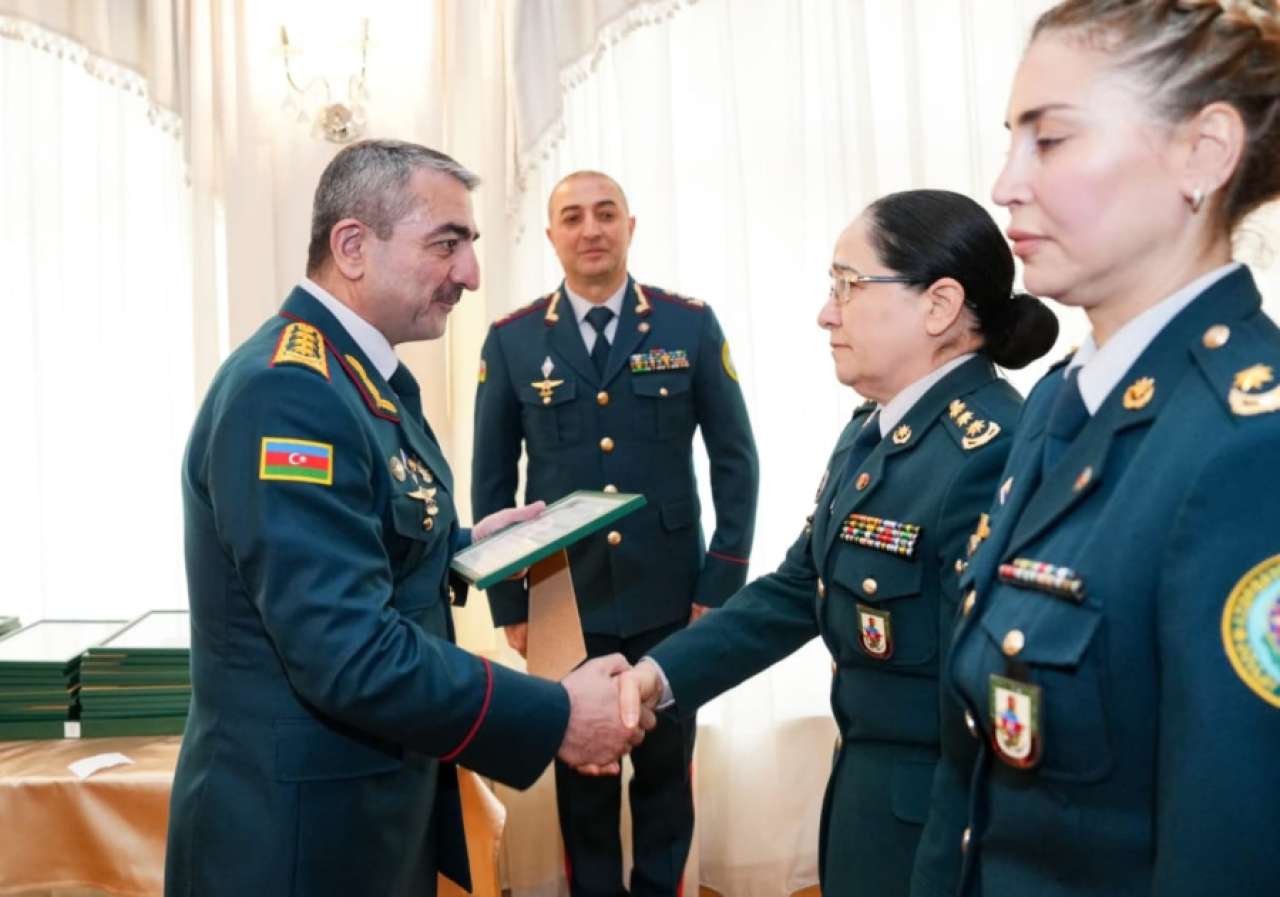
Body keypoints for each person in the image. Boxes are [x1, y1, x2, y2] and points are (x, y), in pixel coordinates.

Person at [166, 140, 651, 897]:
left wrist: (460, 547)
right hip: (296, 840)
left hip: (361, 812)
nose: (471, 273)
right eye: (447, 244)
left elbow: (361, 542)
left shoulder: (359, 376)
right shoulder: (290, 393)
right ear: (353, 247)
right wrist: (555, 713)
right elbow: (346, 647)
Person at [619, 189, 1059, 897]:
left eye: (847, 285)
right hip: (865, 807)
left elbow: (980, 718)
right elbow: (799, 588)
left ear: (939, 306)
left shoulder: (989, 453)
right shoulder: (873, 431)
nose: (827, 312)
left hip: (932, 837)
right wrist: (657, 676)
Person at [940, 1, 1280, 894]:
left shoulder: (1251, 448)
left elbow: (1229, 854)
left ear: (1203, 152)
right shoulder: (1062, 398)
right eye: (1012, 141)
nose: (1005, 183)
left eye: (1049, 140)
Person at [472, 170, 759, 897]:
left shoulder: (688, 324)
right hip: (564, 601)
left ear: (630, 227)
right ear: (551, 236)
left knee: (666, 778)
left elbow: (736, 460)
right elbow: (491, 483)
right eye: (573, 217)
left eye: (606, 214)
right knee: (584, 783)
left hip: (673, 597)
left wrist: (721, 584)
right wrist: (510, 604)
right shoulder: (511, 340)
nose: (591, 229)